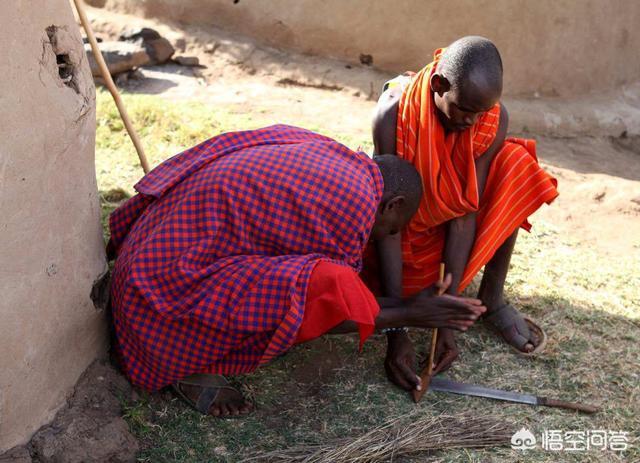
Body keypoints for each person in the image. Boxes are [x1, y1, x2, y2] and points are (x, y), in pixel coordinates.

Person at [107, 124, 486, 416]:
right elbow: (329, 301)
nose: (380, 238)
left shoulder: (333, 153)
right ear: (393, 204)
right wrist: (410, 313)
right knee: (325, 283)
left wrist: (406, 303)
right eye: (391, 229)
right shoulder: (355, 206)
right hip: (150, 299)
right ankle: (184, 365)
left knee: (321, 280)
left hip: (146, 244)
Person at [369, 36, 559, 392]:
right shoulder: (394, 113)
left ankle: (491, 298)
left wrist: (449, 318)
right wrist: (397, 330)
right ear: (439, 85)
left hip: (444, 239)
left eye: (480, 112)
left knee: (516, 164)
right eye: (463, 110)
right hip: (398, 239)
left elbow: (464, 211)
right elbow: (388, 220)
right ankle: (407, 301)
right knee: (385, 235)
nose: (471, 121)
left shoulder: (491, 118)